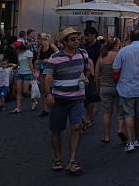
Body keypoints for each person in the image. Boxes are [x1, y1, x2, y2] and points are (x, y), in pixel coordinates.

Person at [43, 27, 90, 174]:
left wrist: (85, 76)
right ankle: (57, 158)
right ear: (64, 42)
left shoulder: (83, 54)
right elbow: (48, 77)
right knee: (56, 130)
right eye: (72, 39)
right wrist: (48, 93)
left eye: (77, 39)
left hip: (77, 98)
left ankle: (72, 160)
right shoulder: (55, 57)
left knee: (76, 128)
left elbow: (87, 69)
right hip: (59, 99)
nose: (76, 41)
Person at [95, 38, 125, 144]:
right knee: (121, 112)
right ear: (116, 45)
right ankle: (120, 129)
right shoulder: (119, 56)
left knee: (107, 113)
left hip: (105, 87)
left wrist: (98, 88)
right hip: (118, 87)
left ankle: (106, 136)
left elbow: (97, 75)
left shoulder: (102, 57)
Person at [10, 39, 37, 113]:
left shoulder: (29, 53)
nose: (15, 50)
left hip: (27, 73)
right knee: (18, 91)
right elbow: (19, 64)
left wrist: (33, 73)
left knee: (25, 91)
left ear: (20, 48)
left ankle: (34, 99)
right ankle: (18, 108)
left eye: (16, 48)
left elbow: (30, 64)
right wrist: (14, 65)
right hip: (20, 73)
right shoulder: (18, 54)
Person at [82, 27, 101, 129]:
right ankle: (91, 113)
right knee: (85, 98)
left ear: (94, 35)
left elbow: (100, 61)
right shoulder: (84, 46)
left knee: (90, 96)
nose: (86, 37)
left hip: (93, 74)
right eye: (85, 35)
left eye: (87, 35)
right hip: (83, 73)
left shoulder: (99, 46)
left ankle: (89, 117)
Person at [36, 33, 58, 117]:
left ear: (42, 39)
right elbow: (38, 59)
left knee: (52, 89)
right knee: (44, 89)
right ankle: (45, 109)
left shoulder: (51, 46)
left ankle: (54, 106)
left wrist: (48, 59)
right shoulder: (40, 48)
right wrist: (38, 63)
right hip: (43, 70)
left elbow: (59, 56)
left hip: (51, 71)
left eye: (38, 39)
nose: (37, 41)